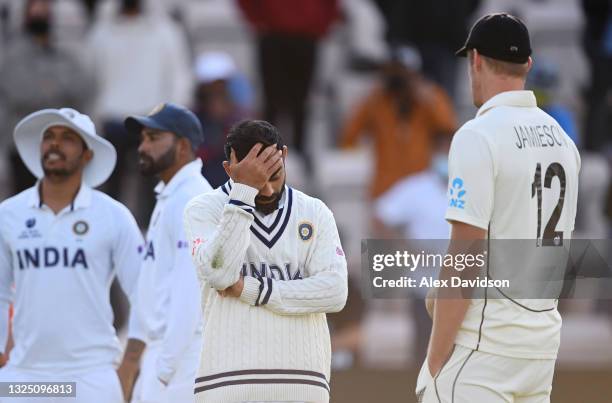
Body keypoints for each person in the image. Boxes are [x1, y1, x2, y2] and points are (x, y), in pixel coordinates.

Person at [418, 14, 580, 402]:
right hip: (540, 349)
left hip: (483, 350)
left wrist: (435, 359)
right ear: (528, 65)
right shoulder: (563, 140)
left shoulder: (478, 135)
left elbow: (465, 254)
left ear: (474, 60)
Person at [183, 120, 348, 403]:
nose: (269, 190)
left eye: (274, 175)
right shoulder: (203, 209)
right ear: (228, 169)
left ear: (283, 157)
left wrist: (254, 289)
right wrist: (243, 193)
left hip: (304, 382)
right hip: (226, 382)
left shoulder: (315, 211)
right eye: (258, 180)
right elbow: (220, 273)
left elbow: (334, 292)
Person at [0, 108, 145, 403]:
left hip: (90, 376)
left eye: (67, 138)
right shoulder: (8, 214)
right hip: (24, 377)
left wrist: (129, 365)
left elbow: (145, 294)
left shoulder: (113, 216)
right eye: (49, 137)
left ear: (87, 154)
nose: (55, 144)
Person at [118, 103, 212, 403]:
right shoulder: (172, 196)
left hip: (182, 362)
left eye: (154, 138)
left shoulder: (192, 199)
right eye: (143, 138)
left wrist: (164, 369)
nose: (143, 146)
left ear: (183, 146)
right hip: (166, 357)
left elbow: (190, 293)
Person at [87, 0, 192, 225]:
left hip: (152, 121)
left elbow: (179, 77)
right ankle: (109, 233)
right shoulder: (101, 33)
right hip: (113, 121)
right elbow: (92, 79)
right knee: (111, 189)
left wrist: (169, 120)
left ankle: (152, 235)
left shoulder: (166, 32)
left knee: (153, 190)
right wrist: (96, 118)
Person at [236, 0, 340, 173]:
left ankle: (299, 152)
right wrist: (257, 22)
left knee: (302, 101)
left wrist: (320, 26)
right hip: (273, 34)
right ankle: (266, 152)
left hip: (306, 36)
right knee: (272, 100)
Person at [0, 0, 90, 197]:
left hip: (58, 141)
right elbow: (17, 93)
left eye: (44, 11)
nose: (40, 15)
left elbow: (79, 86)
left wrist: (47, 88)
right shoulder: (12, 53)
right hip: (22, 142)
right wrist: (54, 91)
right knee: (25, 198)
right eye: (35, 11)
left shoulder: (63, 52)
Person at [340, 47, 456, 198]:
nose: (398, 81)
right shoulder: (376, 102)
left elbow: (449, 129)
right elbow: (348, 137)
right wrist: (369, 99)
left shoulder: (428, 99)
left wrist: (429, 100)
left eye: (402, 73)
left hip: (419, 187)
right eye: (393, 73)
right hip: (385, 189)